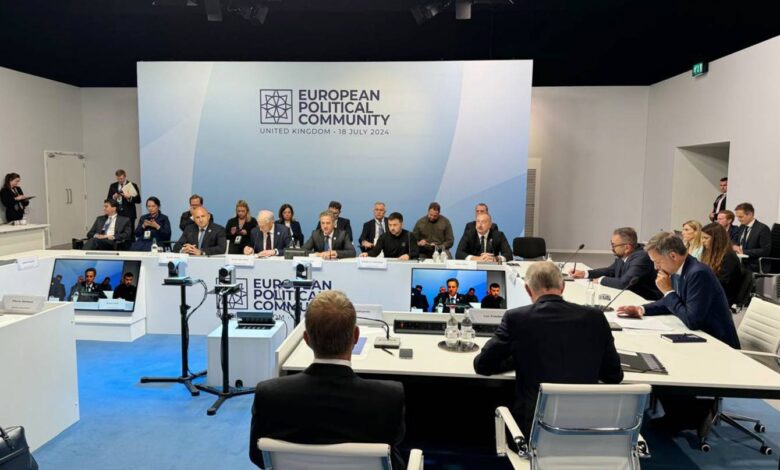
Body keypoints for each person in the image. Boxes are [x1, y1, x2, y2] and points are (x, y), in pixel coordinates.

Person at [249, 290, 406, 470]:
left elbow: (259, 457)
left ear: (306, 339)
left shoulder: (268, 395)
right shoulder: (388, 398)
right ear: (356, 336)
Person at [473, 262, 623, 439]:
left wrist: (518, 357)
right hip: (588, 429)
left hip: (533, 431)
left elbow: (483, 365)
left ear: (527, 290)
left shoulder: (517, 318)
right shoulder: (595, 317)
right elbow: (613, 375)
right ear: (563, 286)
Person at [617, 232, 740, 433]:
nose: (655, 267)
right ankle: (682, 414)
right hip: (701, 337)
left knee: (662, 361)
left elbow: (692, 319)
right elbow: (672, 303)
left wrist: (668, 291)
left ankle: (690, 415)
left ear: (673, 256)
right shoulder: (683, 269)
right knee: (654, 352)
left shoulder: (698, 273)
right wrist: (642, 309)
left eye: (658, 262)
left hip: (717, 343)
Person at [569, 227, 662, 300]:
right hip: (629, 297)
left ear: (627, 247)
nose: (611, 248)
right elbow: (610, 270)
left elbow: (624, 283)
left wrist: (600, 280)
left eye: (613, 245)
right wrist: (585, 273)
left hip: (646, 300)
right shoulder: (626, 254)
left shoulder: (642, 257)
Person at [701, 222, 742, 306]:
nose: (702, 241)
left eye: (706, 238)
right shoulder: (708, 253)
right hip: (711, 292)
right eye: (702, 238)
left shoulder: (729, 257)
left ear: (716, 239)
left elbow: (722, 282)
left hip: (722, 297)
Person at [732, 202, 772, 272]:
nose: (738, 219)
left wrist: (743, 251)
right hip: (741, 262)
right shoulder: (742, 226)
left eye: (741, 217)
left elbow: (765, 250)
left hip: (754, 264)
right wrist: (734, 246)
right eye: (737, 217)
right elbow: (737, 242)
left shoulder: (763, 228)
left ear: (750, 214)